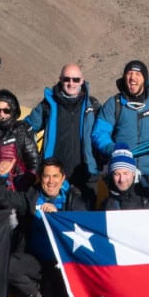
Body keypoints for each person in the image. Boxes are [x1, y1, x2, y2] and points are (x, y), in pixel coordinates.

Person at [0, 157, 88, 297]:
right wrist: (0, 177)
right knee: (8, 265)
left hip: (64, 264)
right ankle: (34, 295)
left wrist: (58, 216)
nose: (50, 181)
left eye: (55, 176)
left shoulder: (74, 199)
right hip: (36, 261)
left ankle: (38, 296)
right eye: (46, 176)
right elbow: (1, 198)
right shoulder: (32, 197)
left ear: (63, 178)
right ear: (40, 178)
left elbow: (84, 226)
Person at [92, 61, 149, 181]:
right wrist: (113, 148)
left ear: (144, 79)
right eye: (129, 73)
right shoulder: (113, 104)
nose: (133, 77)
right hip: (122, 175)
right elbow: (100, 133)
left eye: (138, 74)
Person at [25, 63, 101, 201]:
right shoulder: (48, 104)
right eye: (67, 79)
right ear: (60, 80)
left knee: (84, 219)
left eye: (75, 79)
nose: (71, 83)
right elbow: (26, 128)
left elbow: (103, 134)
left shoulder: (93, 106)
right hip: (54, 177)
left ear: (82, 81)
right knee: (54, 217)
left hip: (86, 175)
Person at [0, 89, 39, 205]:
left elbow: (34, 161)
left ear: (13, 111)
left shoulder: (21, 131)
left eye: (6, 110)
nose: (1, 114)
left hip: (14, 191)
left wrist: (26, 181)